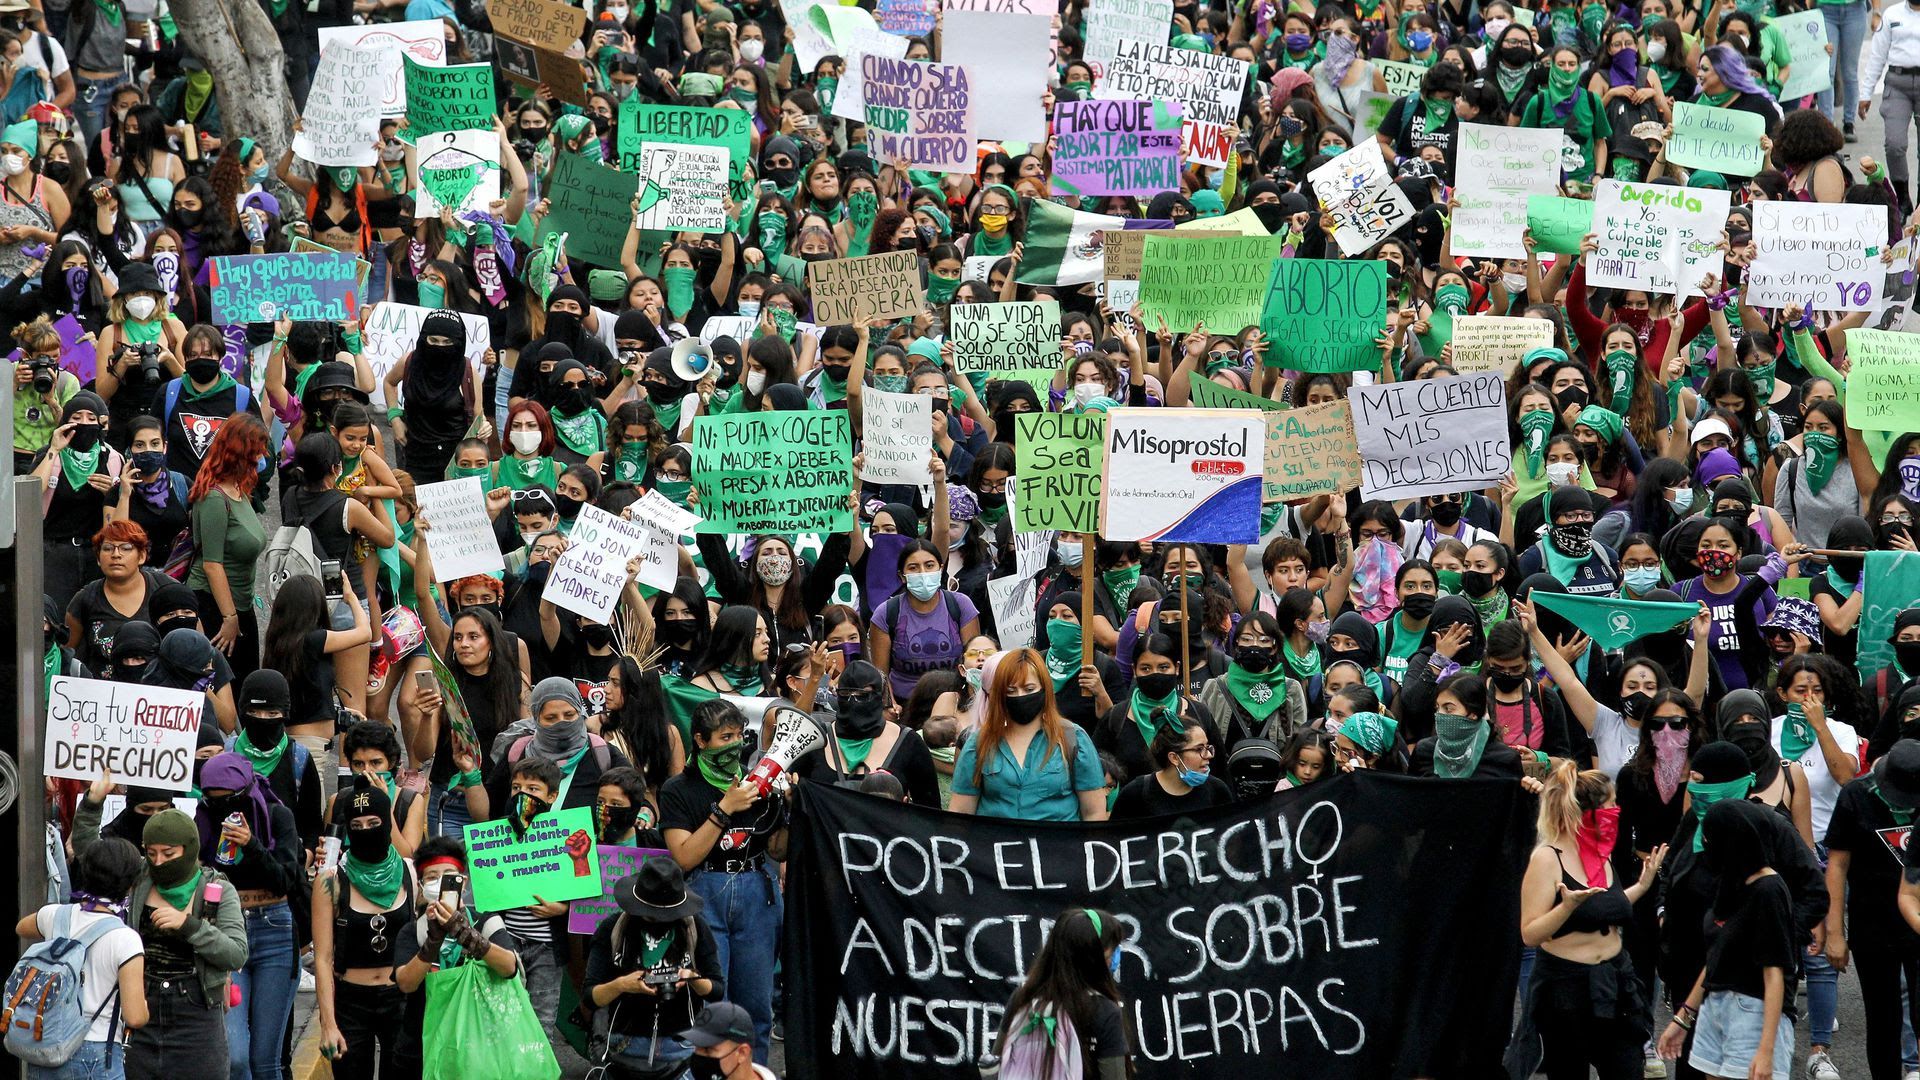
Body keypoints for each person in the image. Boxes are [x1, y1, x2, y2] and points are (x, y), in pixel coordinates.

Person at [70, 781, 247, 1080]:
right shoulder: (139, 877)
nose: (159, 862)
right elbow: (92, 856)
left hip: (197, 1014)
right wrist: (92, 803)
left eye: (168, 853)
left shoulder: (217, 888)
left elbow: (235, 953)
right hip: (141, 1007)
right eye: (151, 854)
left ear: (189, 849)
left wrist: (189, 926)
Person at [658, 699, 788, 1061]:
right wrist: (724, 809)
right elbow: (683, 856)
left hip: (756, 893)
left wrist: (786, 809)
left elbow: (777, 850)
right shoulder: (678, 790)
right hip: (704, 891)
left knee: (756, 1005)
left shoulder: (757, 783)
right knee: (712, 1002)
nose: (734, 744)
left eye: (739, 735)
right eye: (724, 737)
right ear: (699, 740)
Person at [1657, 799, 1800, 1080]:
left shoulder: (1768, 890)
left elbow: (1775, 974)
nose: (1705, 845)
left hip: (1753, 1013)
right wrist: (1684, 1017)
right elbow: (1716, 954)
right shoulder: (1731, 880)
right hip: (1715, 1007)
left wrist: (1766, 1050)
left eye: (1710, 838)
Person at [12, 835, 149, 1080]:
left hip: (48, 1045)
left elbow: (22, 927)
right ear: (130, 884)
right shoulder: (125, 938)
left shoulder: (54, 916)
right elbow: (135, 1016)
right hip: (96, 1051)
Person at [582, 858, 724, 1076]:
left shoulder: (694, 928)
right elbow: (590, 997)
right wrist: (622, 985)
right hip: (625, 1047)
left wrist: (692, 979)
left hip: (681, 1046)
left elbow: (717, 990)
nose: (658, 921)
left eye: (667, 916)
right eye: (651, 915)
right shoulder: (613, 929)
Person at [990, 907, 1132, 1080]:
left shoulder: (1023, 997)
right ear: (1092, 956)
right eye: (1113, 948)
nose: (1117, 955)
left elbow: (996, 1061)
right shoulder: (1105, 1012)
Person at [1109, 716, 1235, 819]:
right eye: (1199, 749)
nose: (1208, 755)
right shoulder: (1135, 795)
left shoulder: (1217, 791)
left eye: (1208, 747)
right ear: (1174, 758)